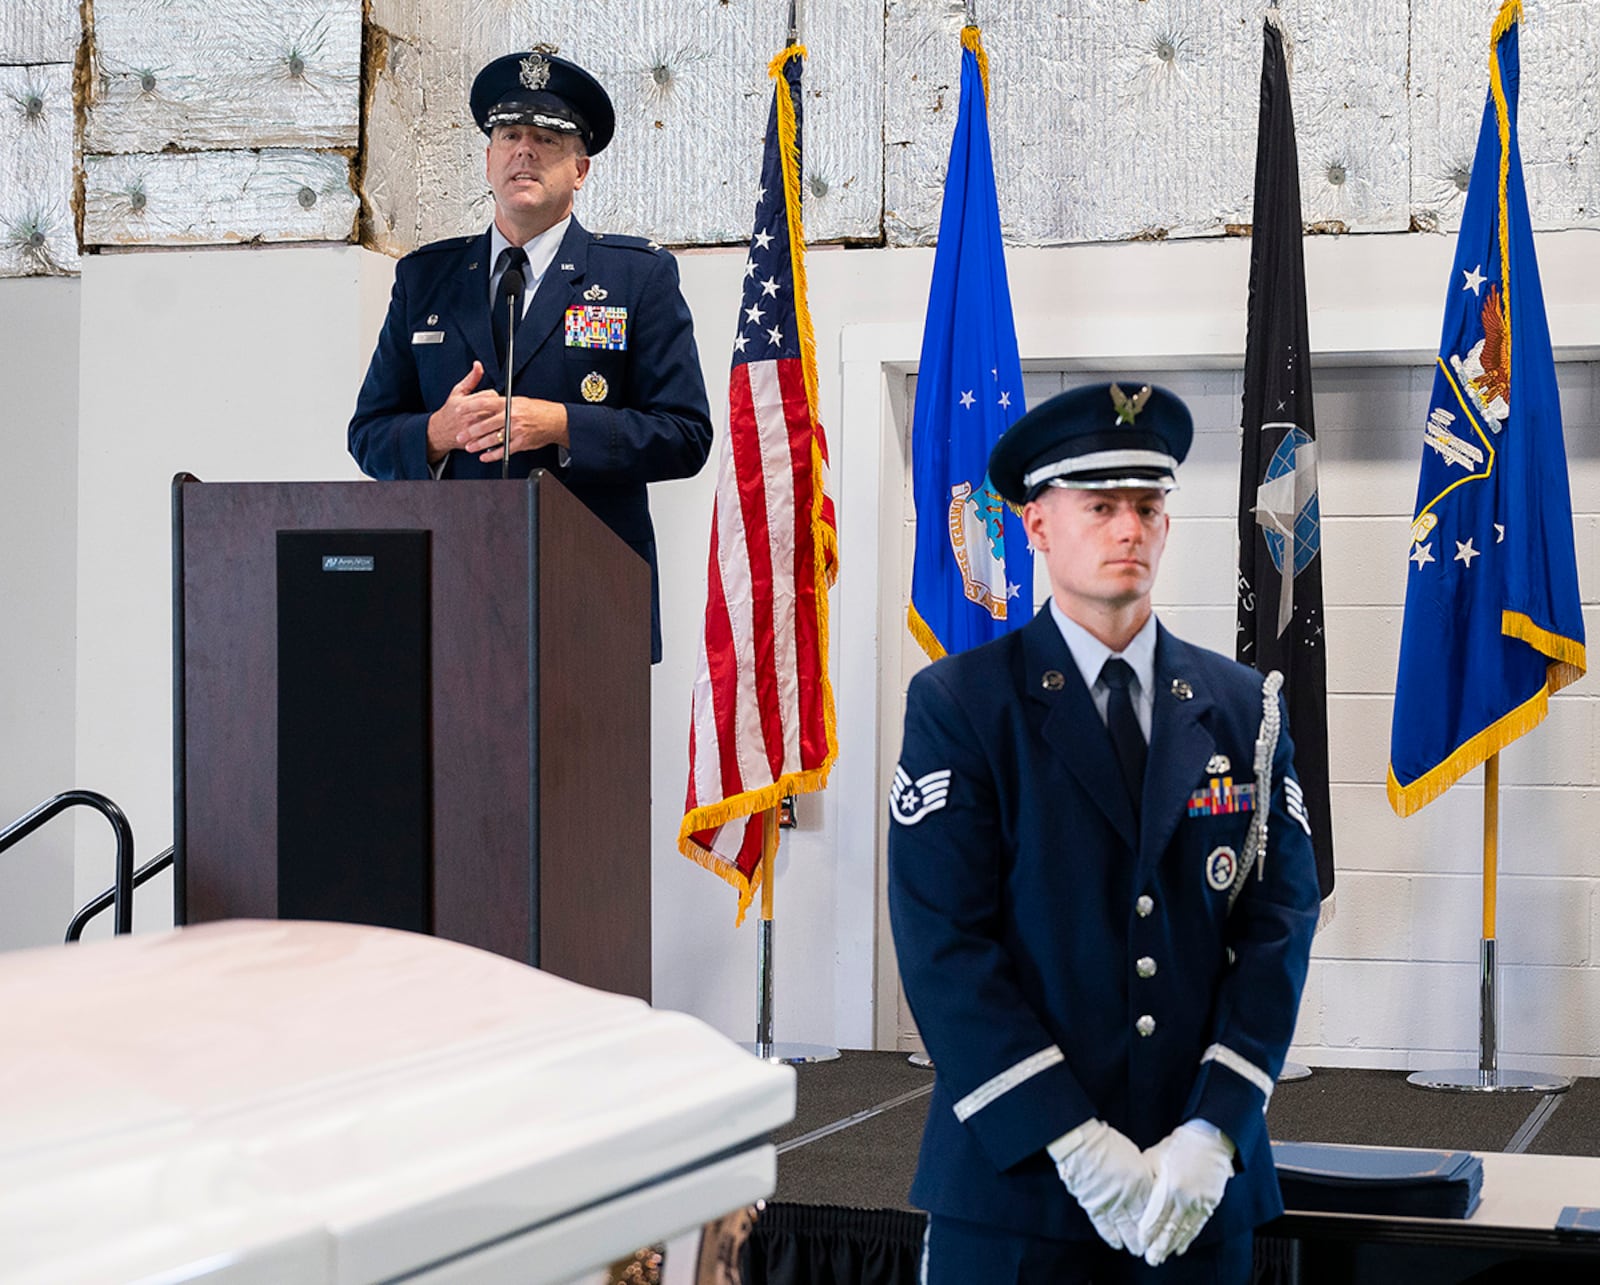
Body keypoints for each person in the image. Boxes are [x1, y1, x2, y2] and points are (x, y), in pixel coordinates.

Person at [888, 382, 1321, 1283]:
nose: (1129, 528)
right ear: (1038, 525)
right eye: (1100, 507)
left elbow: (1277, 928)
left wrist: (1215, 1129)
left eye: (1148, 506)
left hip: (1190, 1192)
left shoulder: (1245, 709)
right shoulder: (965, 706)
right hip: (1018, 1191)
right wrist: (1074, 1141)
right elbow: (945, 948)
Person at [348, 47, 713, 662]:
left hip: (591, 596)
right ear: (489, 160)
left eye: (547, 137)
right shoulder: (425, 279)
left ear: (581, 169)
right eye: (510, 135)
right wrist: (436, 433)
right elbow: (369, 434)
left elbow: (685, 435)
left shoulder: (636, 278)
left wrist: (561, 424)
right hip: (449, 596)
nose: (525, 150)